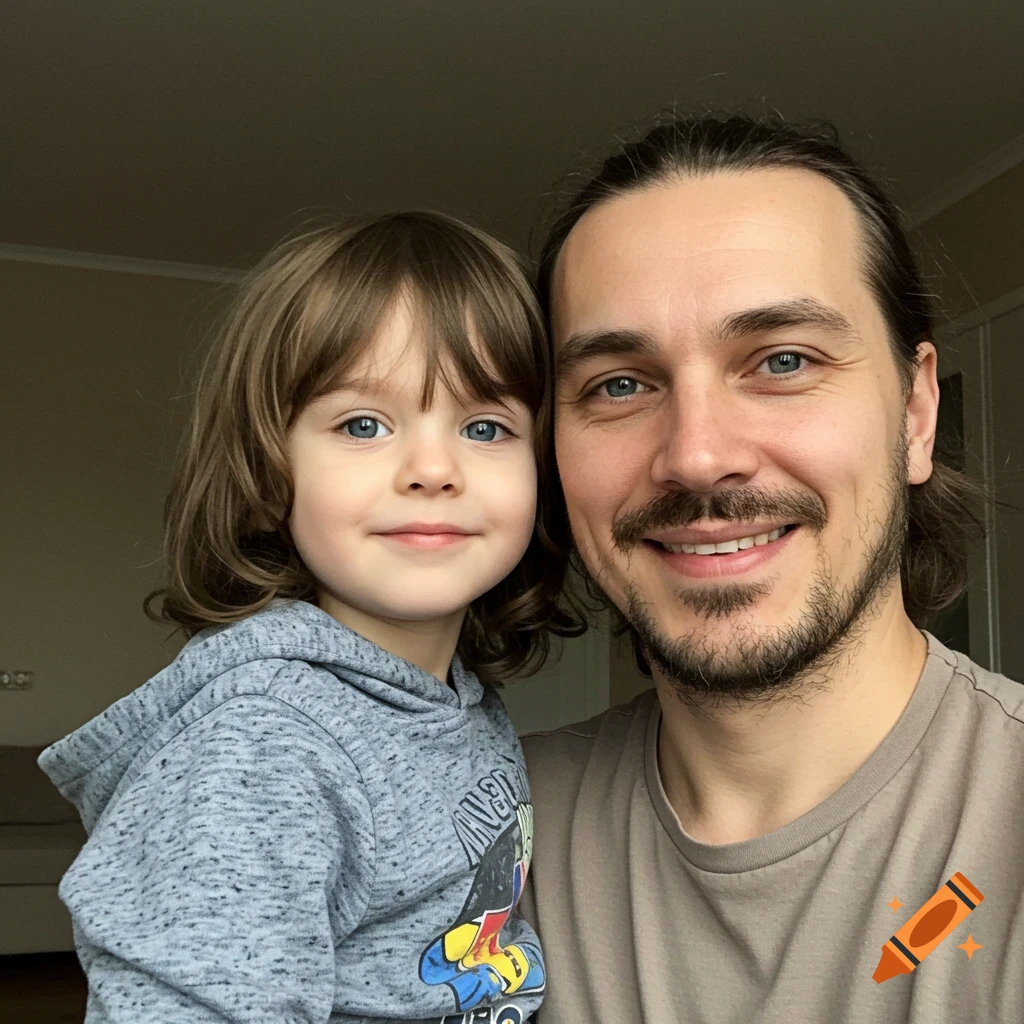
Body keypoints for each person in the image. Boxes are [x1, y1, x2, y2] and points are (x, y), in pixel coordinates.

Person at [519, 114, 1024, 1023]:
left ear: (914, 413)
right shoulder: (479, 839)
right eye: (620, 384)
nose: (697, 456)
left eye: (782, 361)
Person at [39, 212, 582, 1024]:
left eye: (485, 427)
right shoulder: (266, 740)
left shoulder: (450, 702)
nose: (433, 468)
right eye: (363, 425)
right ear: (271, 467)